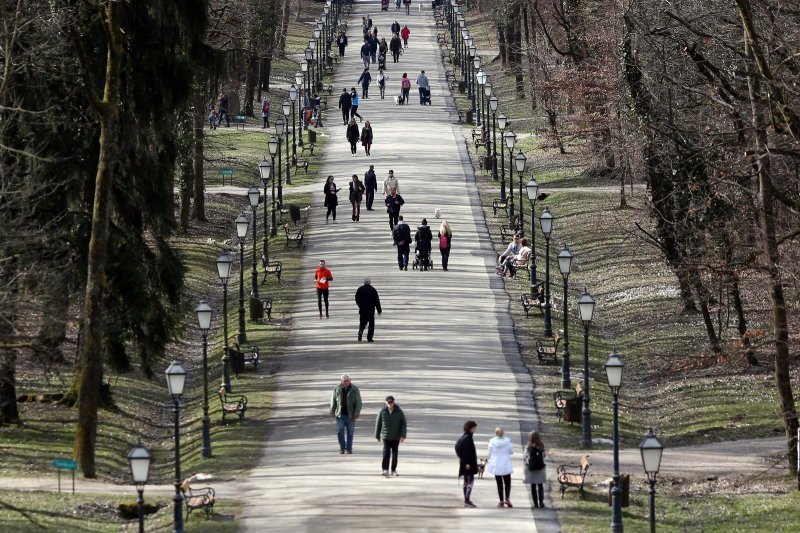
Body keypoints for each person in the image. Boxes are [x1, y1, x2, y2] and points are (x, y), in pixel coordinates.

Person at [330, 374, 362, 454]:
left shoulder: (355, 389)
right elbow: (333, 400)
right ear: (341, 381)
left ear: (350, 380)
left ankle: (349, 448)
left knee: (350, 432)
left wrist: (357, 413)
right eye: (344, 381)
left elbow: (358, 402)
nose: (346, 382)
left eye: (348, 380)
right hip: (340, 414)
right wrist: (332, 410)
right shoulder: (337, 389)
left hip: (350, 415)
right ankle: (342, 447)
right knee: (340, 430)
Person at [375, 395, 407, 476]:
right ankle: (385, 469)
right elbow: (378, 424)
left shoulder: (399, 411)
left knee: (395, 454)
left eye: (391, 402)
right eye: (388, 402)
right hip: (386, 436)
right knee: (386, 453)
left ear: (394, 402)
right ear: (385, 402)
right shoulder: (382, 411)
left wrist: (403, 435)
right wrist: (377, 435)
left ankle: (393, 470)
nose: (390, 404)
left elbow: (403, 424)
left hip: (396, 436)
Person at [487, 427, 514, 508]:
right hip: (505, 463)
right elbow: (511, 452)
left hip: (496, 463)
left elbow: (489, 452)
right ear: (503, 433)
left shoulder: (492, 441)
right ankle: (507, 498)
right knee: (507, 482)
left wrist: (490, 460)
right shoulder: (508, 441)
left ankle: (501, 500)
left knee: (499, 483)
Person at [455, 420, 478, 508]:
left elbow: (457, 447)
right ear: (470, 428)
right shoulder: (468, 438)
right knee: (469, 481)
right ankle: (467, 499)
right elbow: (468, 452)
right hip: (468, 464)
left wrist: (461, 458)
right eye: (474, 428)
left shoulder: (464, 437)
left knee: (466, 481)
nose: (475, 430)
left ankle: (466, 499)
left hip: (464, 462)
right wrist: (467, 462)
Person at [524, 431, 547, 508]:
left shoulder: (528, 446)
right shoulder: (541, 445)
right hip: (540, 468)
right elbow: (544, 456)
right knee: (540, 485)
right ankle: (541, 502)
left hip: (532, 468)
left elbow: (525, 457)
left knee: (533, 486)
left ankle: (535, 503)